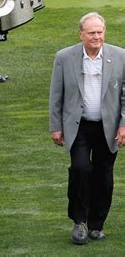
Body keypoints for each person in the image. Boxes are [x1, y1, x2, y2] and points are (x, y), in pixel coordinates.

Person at [49, 12, 125, 245]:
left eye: (100, 32)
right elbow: (56, 94)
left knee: (104, 175)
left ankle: (96, 224)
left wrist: (123, 125)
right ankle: (79, 221)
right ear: (81, 34)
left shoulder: (121, 56)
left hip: (108, 126)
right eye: (91, 32)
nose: (96, 37)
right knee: (81, 169)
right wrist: (56, 126)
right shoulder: (65, 57)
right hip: (78, 125)